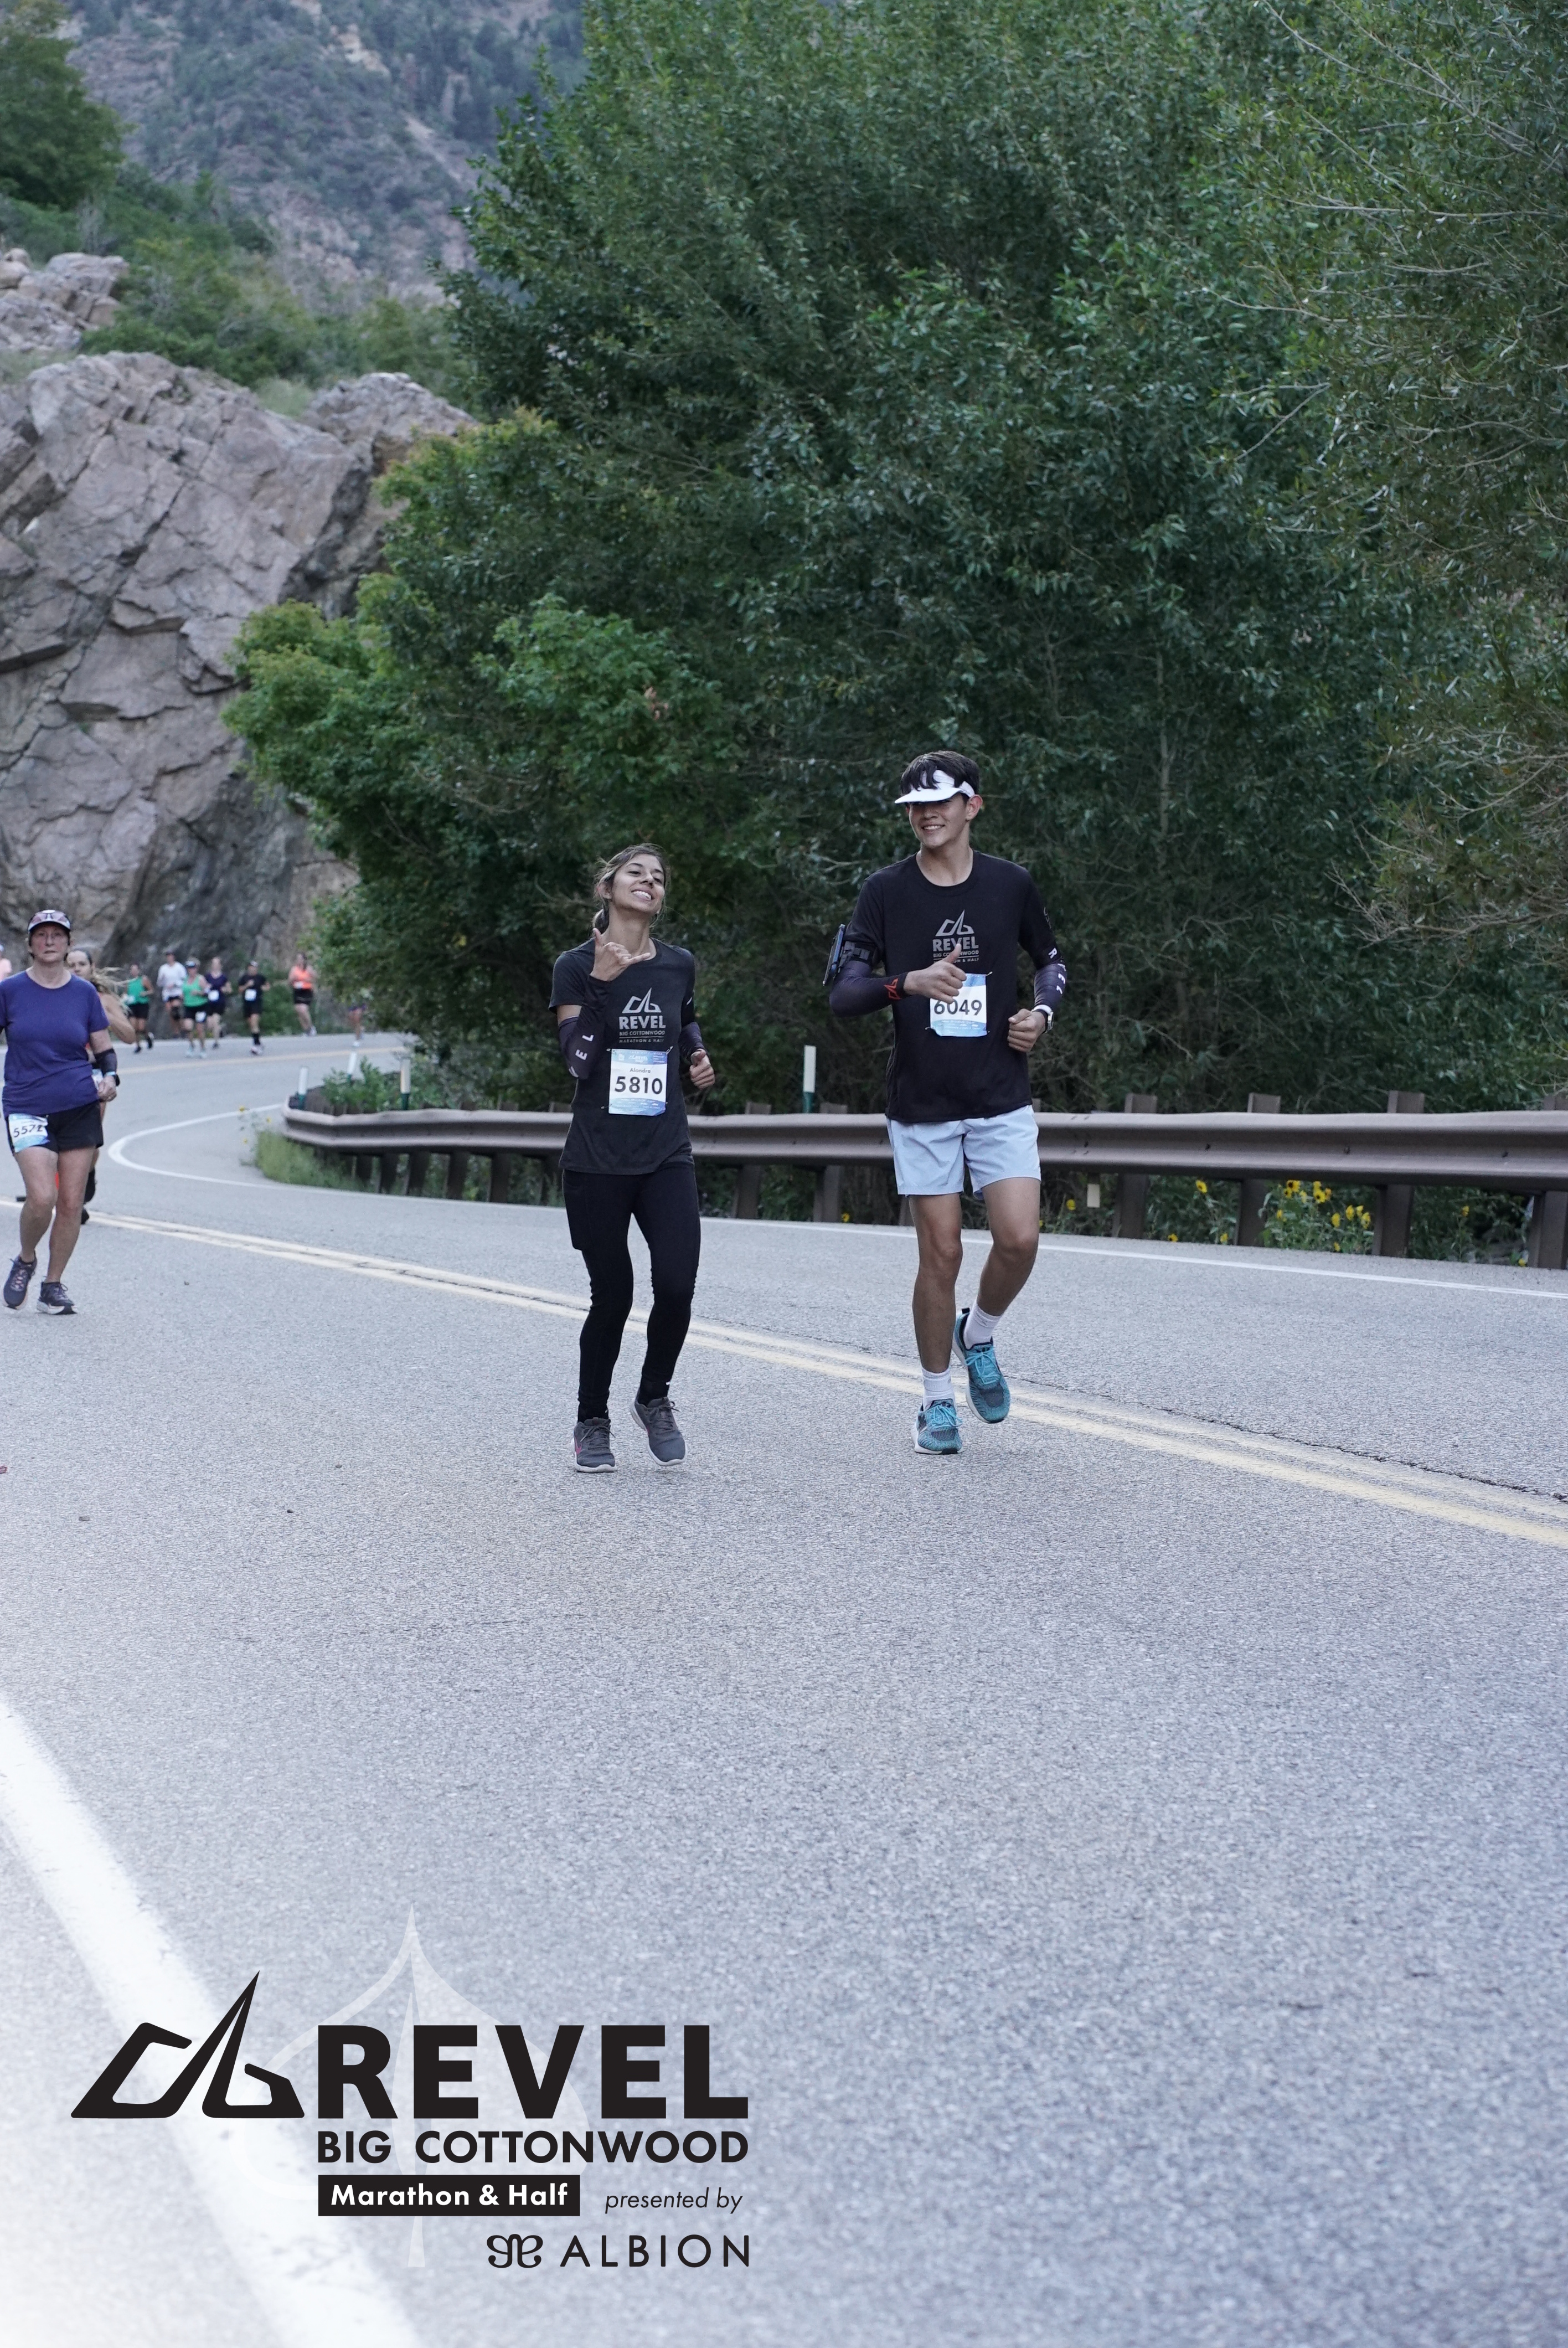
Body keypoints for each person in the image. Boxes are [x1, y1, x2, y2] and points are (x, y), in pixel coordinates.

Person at [829, 751, 1066, 1456]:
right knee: (943, 1251)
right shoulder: (884, 891)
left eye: (940, 802)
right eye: (915, 806)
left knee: (1020, 1239)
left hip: (999, 1093)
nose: (927, 815)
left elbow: (1052, 961)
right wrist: (906, 982)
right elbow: (844, 993)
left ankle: (978, 1334)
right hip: (924, 1101)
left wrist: (1041, 1015)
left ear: (972, 806)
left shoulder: (1010, 883)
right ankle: (937, 1401)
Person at [550, 843, 716, 1471]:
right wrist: (601, 984)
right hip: (597, 1159)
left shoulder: (679, 964)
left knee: (676, 1284)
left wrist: (695, 1055)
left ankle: (653, 1396)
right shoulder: (575, 967)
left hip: (666, 1152)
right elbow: (578, 1062)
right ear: (607, 888)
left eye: (659, 877)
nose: (649, 882)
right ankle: (592, 1420)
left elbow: (685, 1020)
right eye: (636, 873)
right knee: (613, 1295)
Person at [1, 910, 119, 1316]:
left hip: (79, 1104)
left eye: (57, 935)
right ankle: (26, 1258)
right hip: (26, 1106)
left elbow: (104, 1049)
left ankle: (52, 1286)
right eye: (41, 935)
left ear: (68, 944)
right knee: (42, 1197)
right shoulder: (10, 991)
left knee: (71, 1202)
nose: (49, 941)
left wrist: (111, 1078)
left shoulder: (84, 994)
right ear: (30, 944)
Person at [156, 948, 187, 1038]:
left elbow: (185, 980)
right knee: (171, 1013)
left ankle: (183, 1028)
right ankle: (176, 1032)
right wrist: (162, 979)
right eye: (168, 956)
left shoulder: (179, 967)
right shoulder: (163, 969)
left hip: (177, 992)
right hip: (167, 993)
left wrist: (175, 984)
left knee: (175, 1010)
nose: (170, 958)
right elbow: (159, 983)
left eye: (171, 956)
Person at [123, 961, 153, 1049]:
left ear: (139, 971)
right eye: (132, 970)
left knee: (141, 1027)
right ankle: (138, 1045)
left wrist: (145, 993)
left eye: (135, 970)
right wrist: (124, 998)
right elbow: (126, 993)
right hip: (132, 1005)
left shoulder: (143, 980)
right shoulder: (129, 982)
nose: (134, 972)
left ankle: (148, 1036)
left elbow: (151, 991)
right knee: (134, 1026)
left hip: (142, 1004)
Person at [239, 961, 267, 1052]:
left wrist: (264, 988)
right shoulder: (244, 978)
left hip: (257, 1002)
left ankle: (256, 1045)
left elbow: (267, 986)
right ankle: (258, 1042)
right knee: (251, 1024)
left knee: (255, 1022)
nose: (253, 969)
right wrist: (247, 985)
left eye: (255, 967)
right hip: (247, 1003)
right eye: (251, 967)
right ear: (248, 968)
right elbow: (240, 990)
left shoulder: (260, 977)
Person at [181, 960, 209, 1052]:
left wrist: (199, 993)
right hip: (189, 1006)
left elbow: (207, 992)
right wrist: (182, 996)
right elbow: (184, 991)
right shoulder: (185, 979)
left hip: (200, 1006)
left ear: (196, 969)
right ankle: (192, 1045)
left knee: (200, 1029)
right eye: (189, 969)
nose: (191, 971)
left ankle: (203, 1048)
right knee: (188, 1027)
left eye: (193, 969)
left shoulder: (200, 979)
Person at [289, 955, 317, 1035]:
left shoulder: (308, 968)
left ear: (304, 960)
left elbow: (315, 978)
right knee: (299, 1011)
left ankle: (311, 1027)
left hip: (307, 990)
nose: (299, 960)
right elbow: (290, 981)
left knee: (304, 1010)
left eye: (301, 959)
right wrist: (293, 979)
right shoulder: (294, 969)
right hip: (297, 990)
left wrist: (307, 979)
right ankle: (306, 1030)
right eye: (298, 959)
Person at [205, 954, 229, 1047]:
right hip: (209, 1002)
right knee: (210, 1025)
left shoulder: (223, 977)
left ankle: (216, 1042)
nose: (215, 966)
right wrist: (206, 988)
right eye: (213, 964)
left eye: (217, 964)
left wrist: (225, 990)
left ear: (220, 965)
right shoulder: (207, 976)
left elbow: (229, 989)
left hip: (220, 1002)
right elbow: (202, 987)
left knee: (215, 1021)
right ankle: (220, 1029)